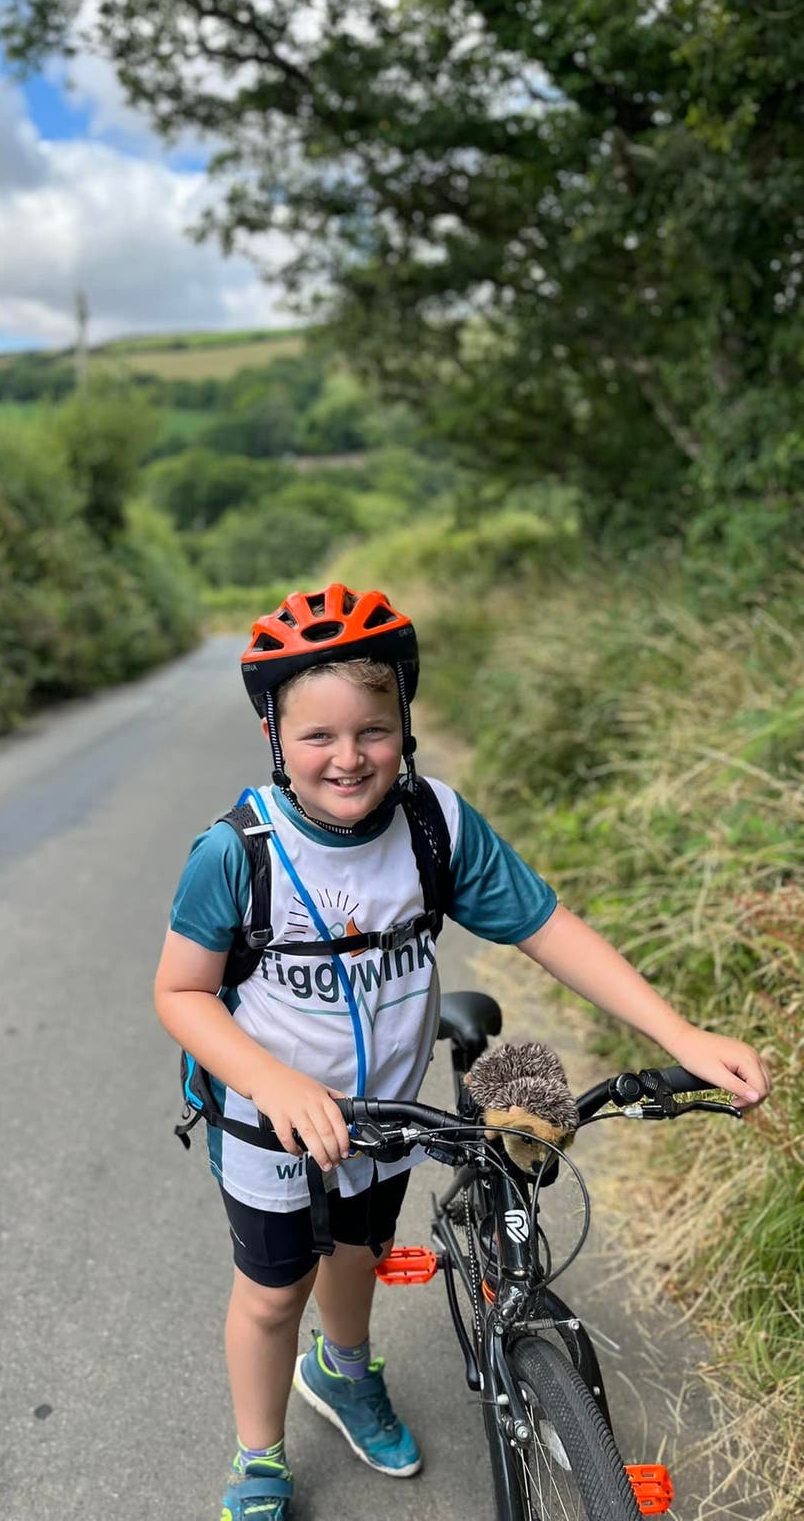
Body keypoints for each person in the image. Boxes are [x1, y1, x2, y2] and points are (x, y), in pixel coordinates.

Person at [153, 583, 771, 1521]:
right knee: (275, 1293)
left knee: (360, 1254)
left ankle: (347, 1372)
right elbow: (182, 991)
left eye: (374, 729)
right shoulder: (238, 852)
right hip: (267, 1118)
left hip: (390, 1113)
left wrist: (679, 1033)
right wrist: (273, 1081)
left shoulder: (435, 824)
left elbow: (547, 927)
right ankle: (260, 1455)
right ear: (275, 734)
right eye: (317, 735)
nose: (349, 757)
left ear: (403, 722)